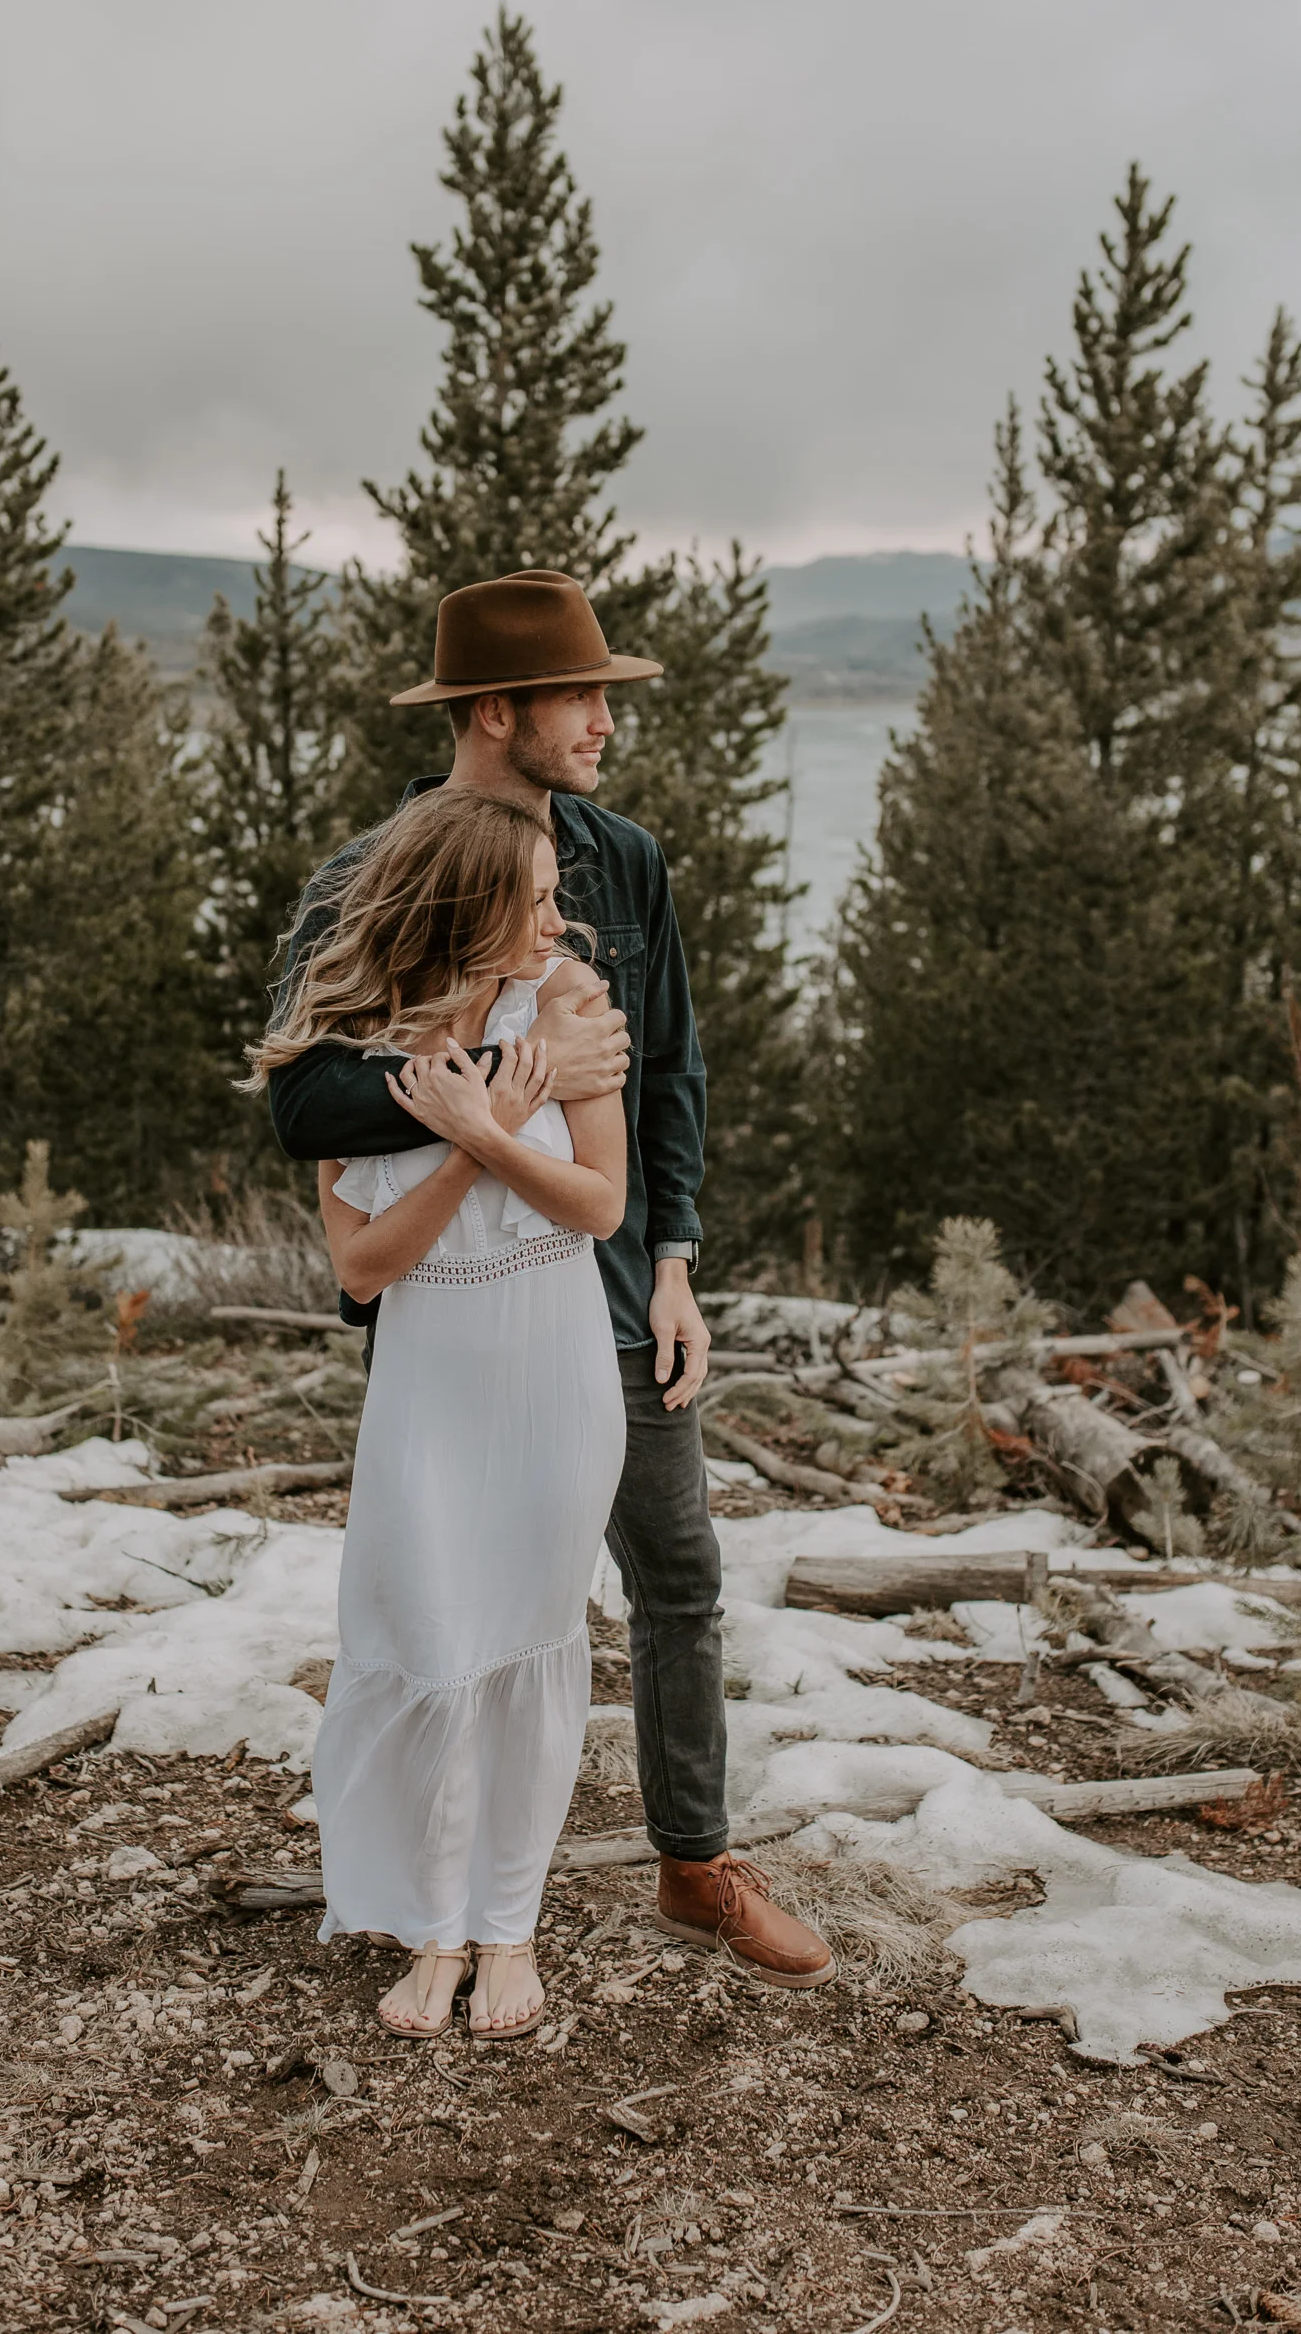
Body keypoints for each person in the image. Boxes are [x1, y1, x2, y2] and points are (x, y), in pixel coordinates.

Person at [269, 569, 836, 2000]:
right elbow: (307, 1101)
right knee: (452, 1602)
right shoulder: (373, 869)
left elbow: (671, 1079)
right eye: (583, 698)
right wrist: (490, 1100)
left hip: (610, 1275)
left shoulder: (623, 861)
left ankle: (694, 1862)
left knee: (677, 1568)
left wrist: (680, 1262)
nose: (603, 722)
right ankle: (438, 1897)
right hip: (458, 1289)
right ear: (496, 710)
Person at [251, 787, 628, 2038]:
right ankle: (432, 1928)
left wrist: (498, 1129)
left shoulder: (563, 1007)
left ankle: (508, 1928)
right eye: (532, 898)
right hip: (429, 1375)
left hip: (553, 1364)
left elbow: (598, 1206)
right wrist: (474, 1134)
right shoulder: (357, 1054)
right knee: (431, 1637)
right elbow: (362, 1269)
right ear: (466, 908)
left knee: (526, 1643)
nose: (556, 919)